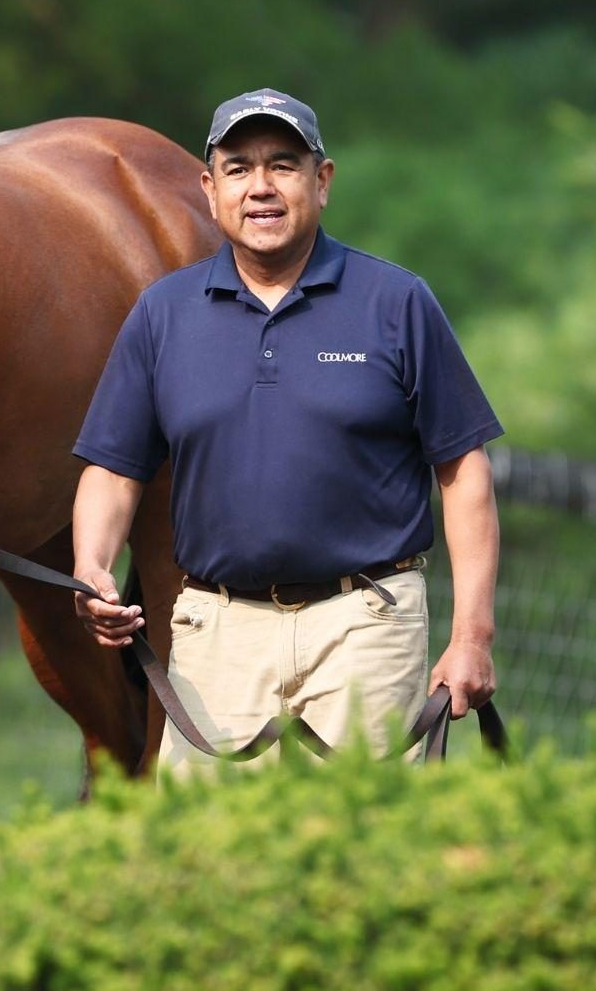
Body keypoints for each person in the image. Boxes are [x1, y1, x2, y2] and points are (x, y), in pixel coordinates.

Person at [71, 89, 501, 769]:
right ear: (210, 190)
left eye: (283, 164)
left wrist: (472, 632)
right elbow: (113, 468)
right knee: (203, 858)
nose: (261, 187)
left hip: (366, 621)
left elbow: (463, 469)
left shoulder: (396, 302)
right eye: (238, 168)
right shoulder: (163, 314)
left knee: (360, 854)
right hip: (215, 631)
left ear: (321, 181)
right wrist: (91, 566)